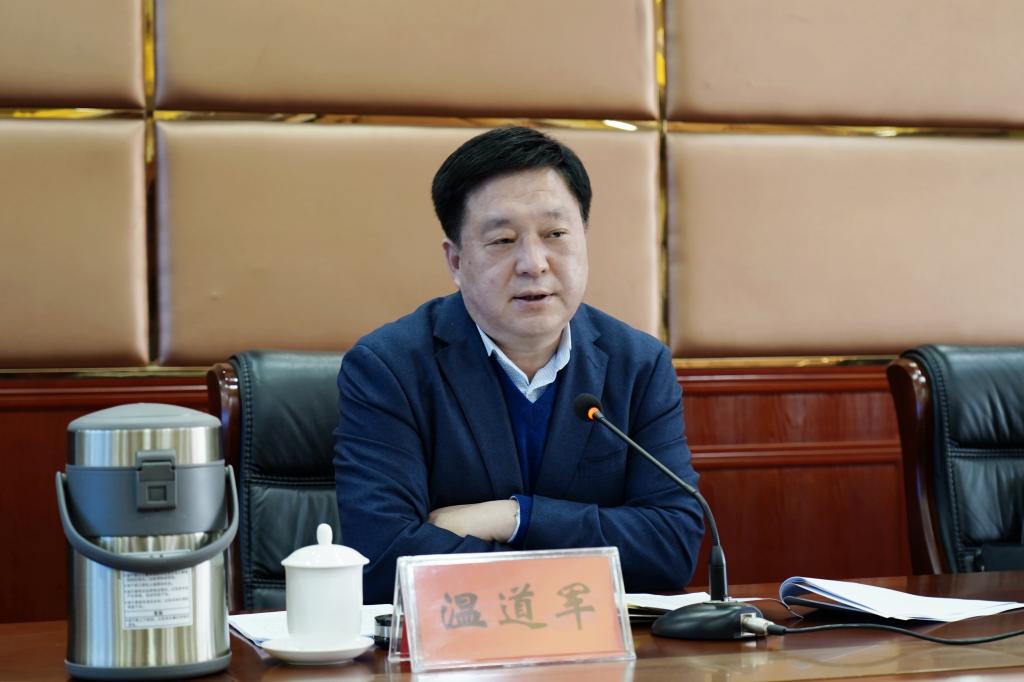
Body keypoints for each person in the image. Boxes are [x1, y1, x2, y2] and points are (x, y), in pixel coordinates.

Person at [333, 126, 704, 604]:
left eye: (555, 234)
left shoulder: (639, 364)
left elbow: (673, 545)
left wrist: (515, 517)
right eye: (503, 240)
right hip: (456, 644)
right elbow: (383, 557)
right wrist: (581, 552)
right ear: (455, 261)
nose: (533, 263)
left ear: (584, 240)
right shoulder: (389, 369)